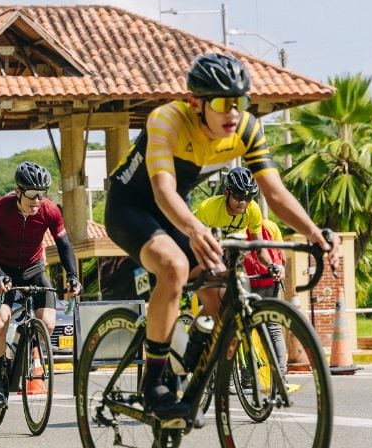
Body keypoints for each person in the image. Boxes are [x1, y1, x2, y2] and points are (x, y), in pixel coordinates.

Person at [104, 52, 336, 424]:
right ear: (196, 103)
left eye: (239, 101)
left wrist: (314, 232)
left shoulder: (247, 129)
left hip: (177, 210)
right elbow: (163, 191)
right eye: (221, 103)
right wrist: (196, 229)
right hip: (130, 207)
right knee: (174, 267)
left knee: (222, 293)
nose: (232, 112)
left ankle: (191, 366)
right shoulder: (167, 120)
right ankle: (154, 385)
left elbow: (275, 194)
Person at [0, 161, 82, 409]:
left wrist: (73, 276)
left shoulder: (50, 211)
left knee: (47, 323)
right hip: (3, 269)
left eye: (42, 194)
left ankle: (23, 351)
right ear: (18, 191)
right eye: (32, 195)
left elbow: (64, 246)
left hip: (33, 268)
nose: (37, 201)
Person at [193, 166, 280, 314]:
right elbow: (200, 246)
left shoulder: (253, 210)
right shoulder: (208, 209)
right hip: (201, 245)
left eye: (248, 198)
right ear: (226, 193)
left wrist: (272, 265)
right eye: (239, 197)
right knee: (217, 300)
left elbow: (260, 250)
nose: (243, 202)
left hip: (230, 247)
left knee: (238, 291)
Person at [243, 218, 288, 373]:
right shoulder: (271, 226)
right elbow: (282, 256)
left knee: (244, 329)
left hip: (247, 282)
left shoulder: (238, 225)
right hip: (271, 282)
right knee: (274, 329)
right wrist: (280, 271)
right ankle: (281, 374)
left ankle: (247, 376)